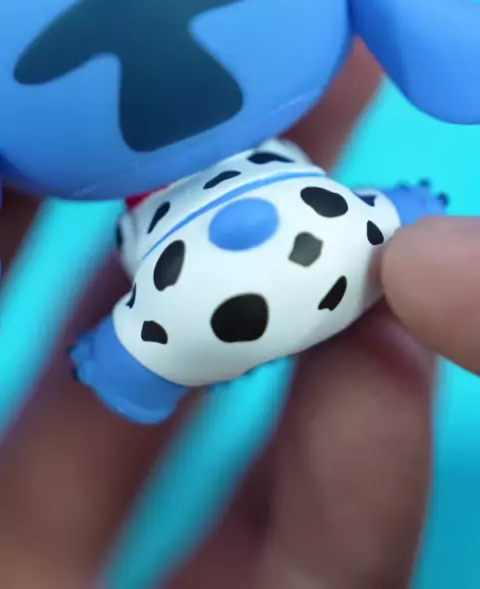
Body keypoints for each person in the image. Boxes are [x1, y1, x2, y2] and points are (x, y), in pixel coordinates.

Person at [0, 41, 478, 589]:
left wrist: (121, 366)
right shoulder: (348, 226)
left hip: (229, 247)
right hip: (282, 231)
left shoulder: (171, 304)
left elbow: (134, 358)